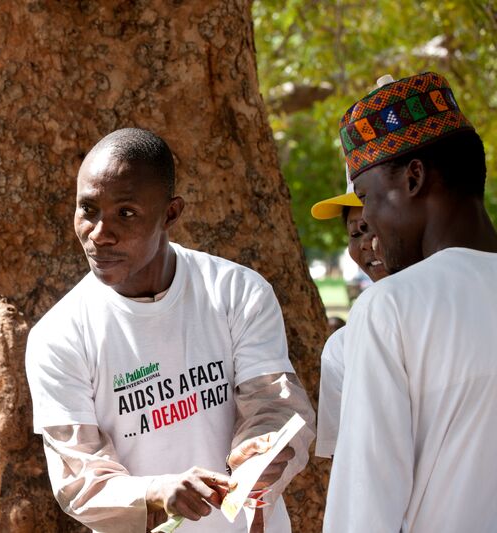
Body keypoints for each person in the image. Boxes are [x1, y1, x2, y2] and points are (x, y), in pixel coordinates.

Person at [25, 128, 315, 532]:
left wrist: (262, 452)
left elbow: (274, 405)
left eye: (126, 213)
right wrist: (154, 491)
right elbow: (79, 478)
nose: (99, 234)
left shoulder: (236, 292)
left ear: (171, 214)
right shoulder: (58, 336)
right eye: (88, 209)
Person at [323, 72, 497, 532]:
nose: (368, 220)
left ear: (414, 178)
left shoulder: (391, 308)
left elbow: (364, 505)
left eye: (367, 198)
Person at [310, 181, 388, 458]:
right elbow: (345, 460)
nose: (368, 242)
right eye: (357, 232)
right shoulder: (341, 348)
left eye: (379, 226)